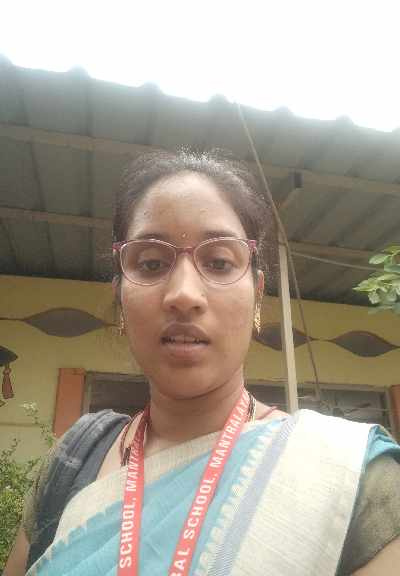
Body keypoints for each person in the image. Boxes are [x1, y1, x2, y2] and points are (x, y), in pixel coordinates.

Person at [5, 149, 400, 576]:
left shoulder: (350, 480)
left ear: (257, 296)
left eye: (219, 262)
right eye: (151, 263)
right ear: (120, 298)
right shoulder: (72, 464)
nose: (184, 294)